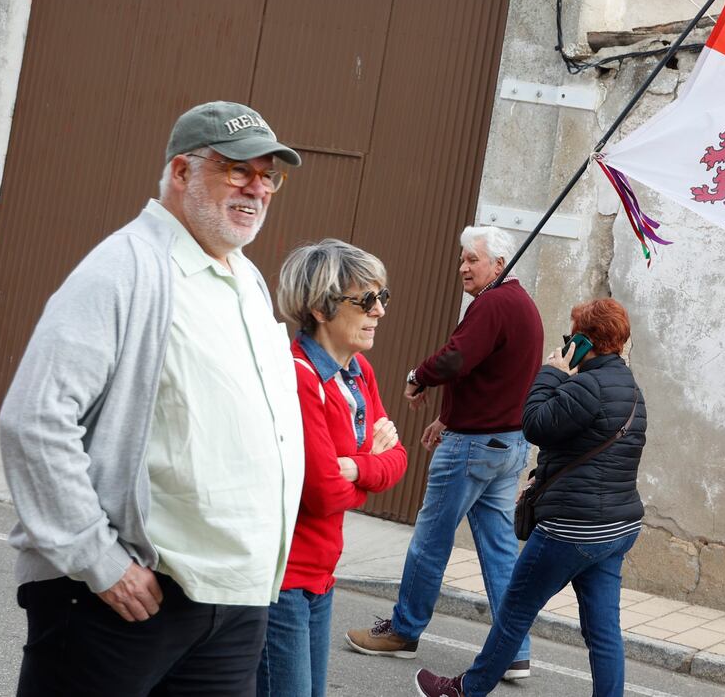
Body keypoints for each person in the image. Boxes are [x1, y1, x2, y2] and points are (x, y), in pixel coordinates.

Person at [0, 101, 305, 695]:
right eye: (237, 169)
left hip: (232, 606)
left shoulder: (245, 277)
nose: (256, 189)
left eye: (269, 176)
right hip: (124, 601)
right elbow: (34, 420)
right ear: (181, 172)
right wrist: (100, 562)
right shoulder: (124, 268)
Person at [414, 297, 648, 697]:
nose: (566, 343)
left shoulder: (586, 387)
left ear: (584, 343)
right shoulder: (631, 387)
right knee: (604, 630)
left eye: (571, 336)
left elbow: (535, 424)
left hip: (571, 528)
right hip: (617, 527)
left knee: (515, 611)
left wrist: (550, 372)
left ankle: (466, 690)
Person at [346, 226, 542, 681]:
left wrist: (419, 375)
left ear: (499, 264)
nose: (463, 268)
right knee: (498, 551)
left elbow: (457, 358)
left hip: (474, 449)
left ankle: (403, 630)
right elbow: (492, 380)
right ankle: (515, 650)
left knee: (431, 542)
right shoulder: (523, 306)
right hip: (507, 444)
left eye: (472, 259)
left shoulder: (492, 305)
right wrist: (448, 417)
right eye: (461, 259)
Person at [258, 239, 409, 696]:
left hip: (322, 575)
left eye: (382, 297)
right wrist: (369, 464)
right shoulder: (298, 375)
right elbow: (322, 491)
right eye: (365, 299)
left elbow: (400, 460)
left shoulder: (359, 371)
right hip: (281, 580)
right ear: (322, 309)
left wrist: (354, 468)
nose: (379, 310)